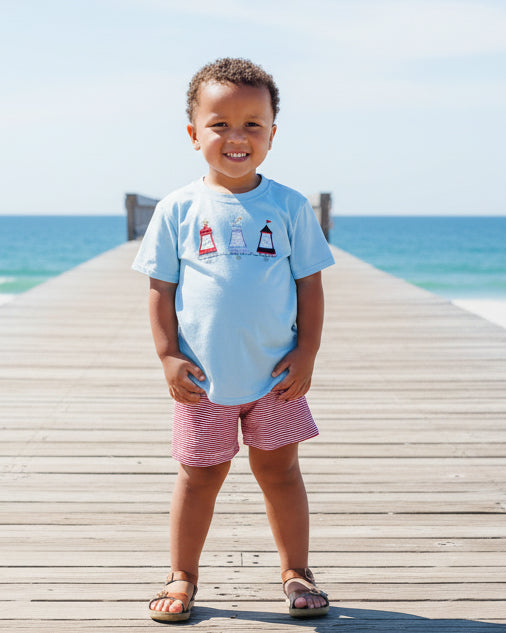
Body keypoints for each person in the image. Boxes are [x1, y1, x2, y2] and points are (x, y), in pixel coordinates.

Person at [132, 57, 334, 623]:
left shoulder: (289, 206)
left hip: (276, 375)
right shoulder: (177, 209)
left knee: (281, 473)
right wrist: (168, 356)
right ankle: (182, 575)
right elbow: (160, 288)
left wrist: (307, 351)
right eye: (220, 124)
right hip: (203, 377)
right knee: (199, 477)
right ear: (194, 133)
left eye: (252, 124)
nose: (237, 136)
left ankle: (296, 571)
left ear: (272, 133)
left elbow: (310, 284)